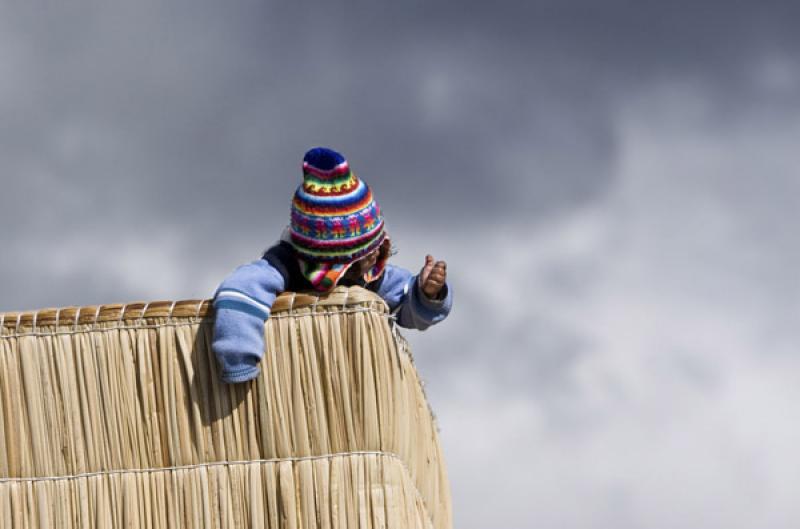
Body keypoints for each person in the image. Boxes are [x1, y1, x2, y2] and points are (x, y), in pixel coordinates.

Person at [212, 147, 453, 383]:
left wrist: (426, 293)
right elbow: (240, 290)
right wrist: (239, 359)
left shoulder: (372, 275)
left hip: (347, 380)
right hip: (291, 376)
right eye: (368, 252)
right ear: (335, 261)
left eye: (378, 245)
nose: (377, 255)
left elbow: (405, 306)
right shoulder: (284, 266)